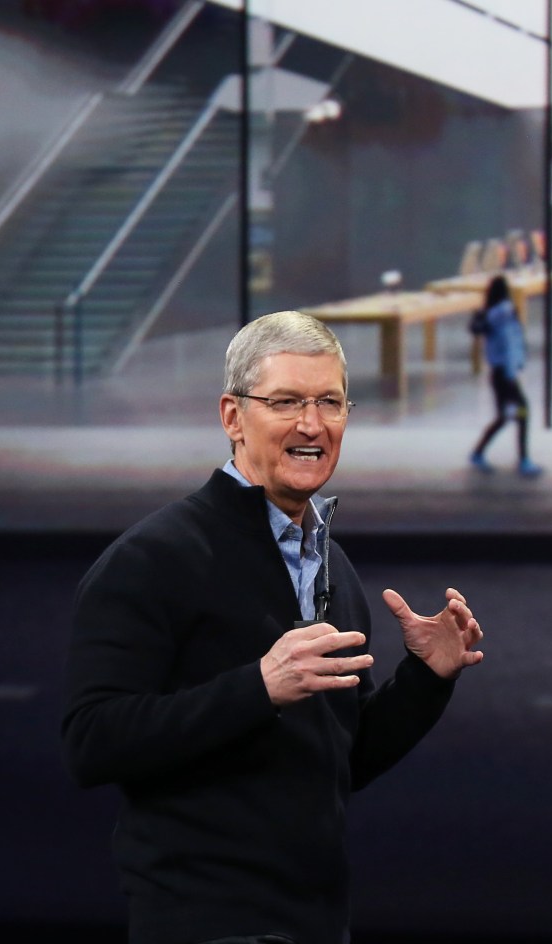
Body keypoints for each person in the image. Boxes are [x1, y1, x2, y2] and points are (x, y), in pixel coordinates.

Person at [61, 310, 485, 944]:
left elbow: (339, 759)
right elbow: (92, 741)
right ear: (232, 416)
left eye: (329, 402)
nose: (311, 424)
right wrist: (258, 686)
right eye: (285, 401)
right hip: (204, 921)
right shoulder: (153, 559)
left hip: (314, 922)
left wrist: (427, 679)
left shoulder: (330, 564)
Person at [469, 274, 542, 477]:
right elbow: (510, 345)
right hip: (505, 374)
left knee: (505, 416)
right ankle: (523, 459)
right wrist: (514, 370)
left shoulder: (491, 314)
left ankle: (478, 452)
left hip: (498, 372)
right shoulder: (506, 314)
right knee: (522, 412)